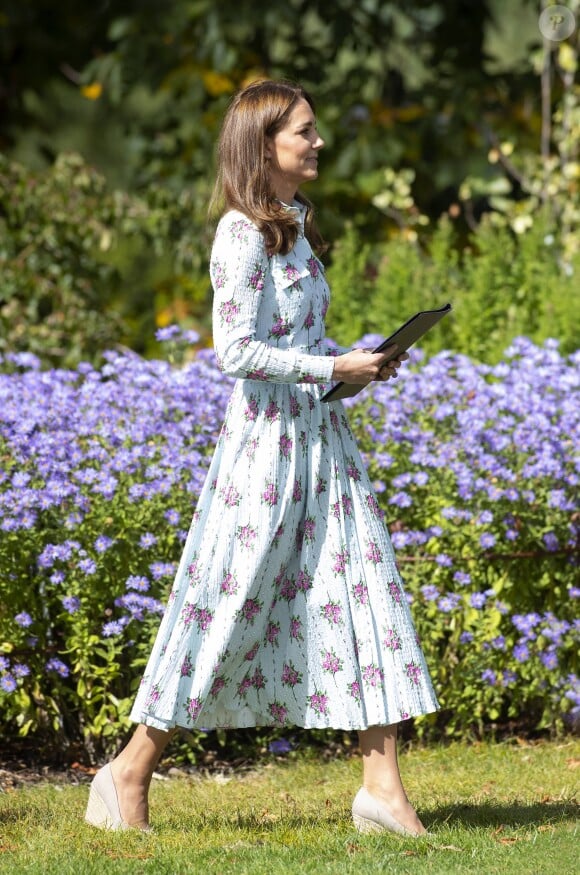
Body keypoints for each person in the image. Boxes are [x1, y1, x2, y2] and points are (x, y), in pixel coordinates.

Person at [85, 79, 439, 837]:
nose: (318, 143)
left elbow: (300, 346)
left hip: (323, 449)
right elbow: (236, 351)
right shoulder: (241, 233)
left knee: (362, 598)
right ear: (263, 144)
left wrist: (358, 368)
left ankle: (382, 790)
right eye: (303, 132)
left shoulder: (295, 227)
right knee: (223, 612)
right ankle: (127, 772)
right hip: (264, 460)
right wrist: (329, 369)